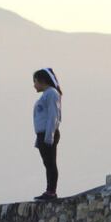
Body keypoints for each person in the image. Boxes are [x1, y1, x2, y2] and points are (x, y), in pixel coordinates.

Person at [32, 67, 63, 201]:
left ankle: (51, 192)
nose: (34, 85)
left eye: (35, 81)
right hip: (42, 134)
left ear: (42, 80)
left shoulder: (52, 94)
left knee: (50, 163)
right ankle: (49, 190)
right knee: (47, 163)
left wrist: (49, 136)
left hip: (48, 133)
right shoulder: (46, 95)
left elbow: (53, 116)